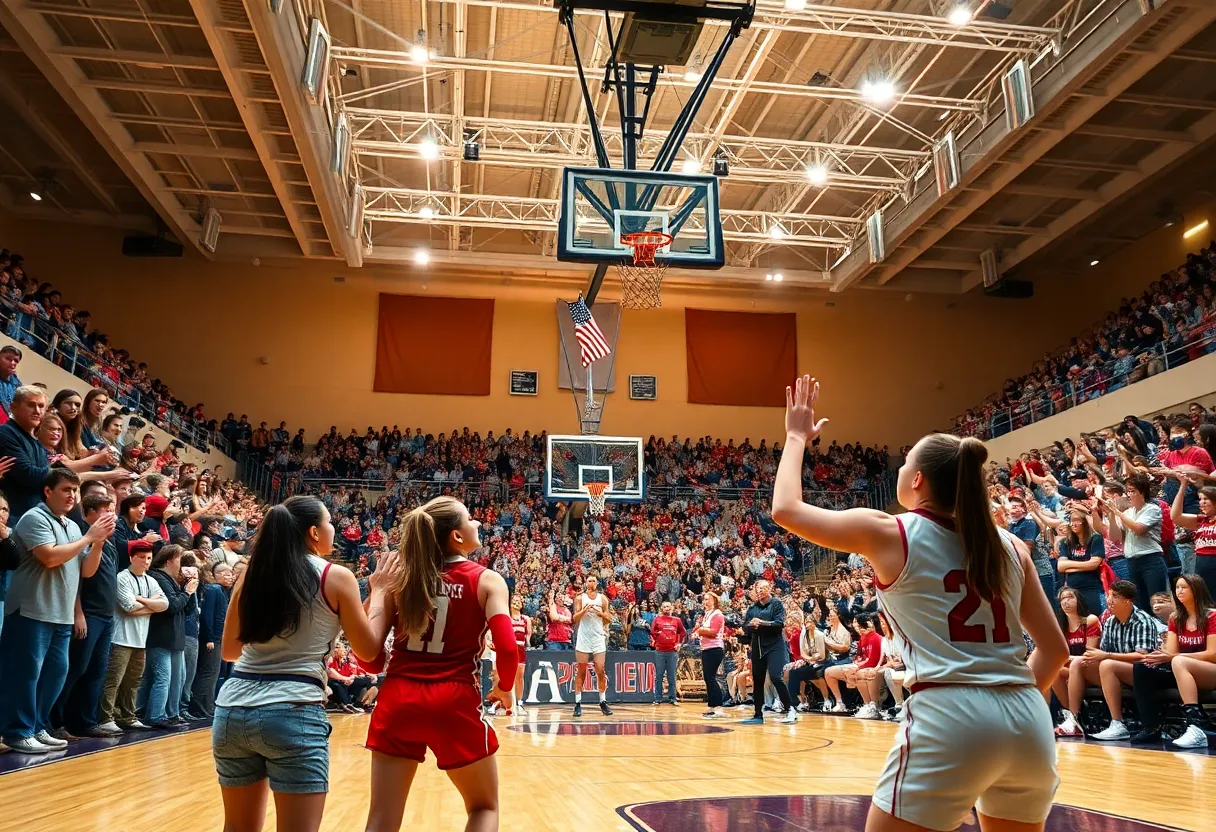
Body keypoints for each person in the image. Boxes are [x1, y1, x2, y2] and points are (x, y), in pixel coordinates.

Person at [771, 376, 1067, 832]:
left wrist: (794, 437)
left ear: (917, 479)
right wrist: (1010, 703)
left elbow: (786, 509)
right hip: (1028, 720)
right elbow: (1056, 650)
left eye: (905, 461)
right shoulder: (1012, 546)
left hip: (951, 714)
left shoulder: (890, 530)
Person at [213, 495, 394, 832]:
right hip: (292, 709)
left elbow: (229, 652)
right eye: (329, 523)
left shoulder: (252, 573)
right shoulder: (337, 576)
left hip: (232, 709)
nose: (333, 529)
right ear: (313, 532)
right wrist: (380, 591)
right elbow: (369, 653)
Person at [361, 496, 518, 832]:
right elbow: (507, 648)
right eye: (471, 518)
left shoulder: (398, 581)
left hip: (398, 699)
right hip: (455, 700)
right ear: (457, 537)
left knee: (381, 819)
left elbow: (371, 661)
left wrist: (376, 593)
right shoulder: (488, 580)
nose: (477, 523)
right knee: (484, 808)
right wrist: (505, 688)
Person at [0, 468, 116, 753]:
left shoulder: (74, 527)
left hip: (61, 614)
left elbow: (85, 571)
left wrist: (98, 542)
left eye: (75, 491)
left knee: (55, 674)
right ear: (48, 491)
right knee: (25, 674)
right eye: (66, 490)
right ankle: (17, 731)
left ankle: (38, 726)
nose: (72, 496)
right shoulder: (34, 518)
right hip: (31, 610)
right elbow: (50, 557)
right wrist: (90, 538)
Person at [49, 491, 118, 741]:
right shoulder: (82, 538)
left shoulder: (109, 544)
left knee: (96, 671)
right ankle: (56, 721)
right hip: (88, 615)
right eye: (103, 510)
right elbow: (77, 579)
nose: (109, 514)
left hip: (106, 618)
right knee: (75, 668)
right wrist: (78, 613)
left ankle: (85, 722)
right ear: (88, 514)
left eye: (111, 509)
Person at [1130, 574, 1216, 748]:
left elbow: (1212, 654)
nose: (1179, 591)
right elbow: (1171, 653)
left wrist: (1175, 657)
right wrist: (1157, 657)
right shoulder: (1175, 618)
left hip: (1210, 671)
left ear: (1197, 589)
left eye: (1184, 587)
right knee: (1143, 669)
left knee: (1178, 662)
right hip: (1184, 671)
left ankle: (1196, 726)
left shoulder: (1211, 616)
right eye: (1177, 587)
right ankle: (1151, 727)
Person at [96, 540, 164, 733]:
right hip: (120, 638)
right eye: (141, 557)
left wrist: (141, 600)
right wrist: (152, 606)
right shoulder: (122, 577)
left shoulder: (150, 580)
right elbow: (128, 607)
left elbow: (165, 605)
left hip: (140, 640)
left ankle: (127, 716)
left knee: (133, 681)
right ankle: (105, 718)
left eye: (149, 558)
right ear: (132, 557)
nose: (145, 561)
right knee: (113, 681)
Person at [1080, 581, 1161, 741]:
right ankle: (1074, 718)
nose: (1109, 600)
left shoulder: (1143, 620)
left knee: (1107, 664)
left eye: (1115, 596)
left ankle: (1117, 723)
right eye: (1109, 595)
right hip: (1115, 670)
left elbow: (1142, 656)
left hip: (1143, 673)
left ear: (1128, 601)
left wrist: (1108, 656)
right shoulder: (1110, 621)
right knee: (1081, 664)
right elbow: (1102, 652)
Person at [1100, 473, 1167, 610]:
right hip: (1132, 562)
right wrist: (1112, 516)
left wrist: (1117, 513)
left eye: (1132, 491)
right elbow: (1114, 537)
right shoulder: (1128, 512)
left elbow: (1138, 529)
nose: (1129, 494)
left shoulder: (1152, 509)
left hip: (1151, 560)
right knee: (1139, 605)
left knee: (1158, 604)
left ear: (1142, 492)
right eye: (1128, 491)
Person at [739, 580, 797, 725]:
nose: (760, 591)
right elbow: (746, 627)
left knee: (776, 677)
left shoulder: (776, 604)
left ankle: (790, 709)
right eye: (758, 588)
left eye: (763, 588)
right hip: (758, 647)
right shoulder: (752, 608)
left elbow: (779, 624)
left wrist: (761, 623)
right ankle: (758, 714)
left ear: (769, 588)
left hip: (775, 645)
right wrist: (742, 631)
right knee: (757, 681)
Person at [1050, 587, 1100, 737]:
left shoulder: (1089, 620)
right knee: (1053, 672)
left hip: (1091, 669)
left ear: (1079, 600)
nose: (1066, 601)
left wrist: (1067, 659)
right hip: (1073, 670)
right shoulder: (1062, 627)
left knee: (1075, 664)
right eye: (1062, 599)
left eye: (1070, 597)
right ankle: (1072, 718)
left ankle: (1075, 718)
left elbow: (1090, 652)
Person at [190, 561, 231, 719]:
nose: (230, 577)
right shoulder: (214, 589)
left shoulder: (220, 590)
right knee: (208, 672)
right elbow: (207, 615)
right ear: (217, 575)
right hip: (212, 638)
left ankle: (207, 706)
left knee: (213, 673)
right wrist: (209, 638)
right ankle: (200, 707)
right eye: (227, 574)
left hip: (218, 637)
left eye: (231, 574)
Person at [571, 575, 613, 717]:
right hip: (583, 637)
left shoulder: (603, 599)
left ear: (597, 583)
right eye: (589, 580)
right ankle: (577, 703)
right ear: (585, 582)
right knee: (581, 671)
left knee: (600, 669)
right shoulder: (580, 598)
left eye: (594, 581)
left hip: (598, 637)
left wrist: (598, 612)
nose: (592, 583)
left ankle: (602, 701)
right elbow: (575, 618)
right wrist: (585, 610)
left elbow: (609, 619)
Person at [1168, 475, 1216, 588]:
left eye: (1205, 499)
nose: (1201, 503)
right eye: (1200, 499)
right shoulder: (1201, 520)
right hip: (1200, 566)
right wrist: (1183, 485)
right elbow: (1175, 516)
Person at [1056, 509, 1106, 615]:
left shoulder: (1095, 538)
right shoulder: (1065, 542)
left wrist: (1070, 567)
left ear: (1085, 522)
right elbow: (1060, 566)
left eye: (1077, 520)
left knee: (1094, 619)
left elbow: (1094, 564)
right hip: (1072, 589)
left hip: (1092, 587)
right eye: (1071, 521)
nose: (1073, 524)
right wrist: (1085, 564)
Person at [695, 591, 727, 719]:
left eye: (708, 599)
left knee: (711, 677)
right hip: (707, 648)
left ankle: (718, 707)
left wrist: (700, 630)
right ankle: (712, 706)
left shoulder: (717, 615)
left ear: (714, 601)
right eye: (704, 599)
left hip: (714, 649)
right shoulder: (707, 615)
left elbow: (713, 632)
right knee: (708, 677)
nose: (705, 601)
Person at [650, 600, 686, 706]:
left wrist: (679, 643)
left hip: (672, 652)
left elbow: (683, 633)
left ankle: (673, 698)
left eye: (668, 606)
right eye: (665, 606)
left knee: (672, 676)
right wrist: (658, 638)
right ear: (662, 608)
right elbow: (652, 632)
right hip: (660, 651)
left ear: (672, 608)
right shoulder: (657, 619)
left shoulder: (677, 620)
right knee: (659, 676)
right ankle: (657, 699)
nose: (667, 608)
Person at [508, 594, 532, 714]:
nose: (516, 602)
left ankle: (519, 702)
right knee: (507, 677)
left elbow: (528, 634)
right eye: (514, 600)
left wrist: (527, 642)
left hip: (521, 649)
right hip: (509, 649)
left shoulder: (525, 619)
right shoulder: (506, 617)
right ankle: (506, 703)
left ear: (522, 604)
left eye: (518, 601)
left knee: (519, 677)